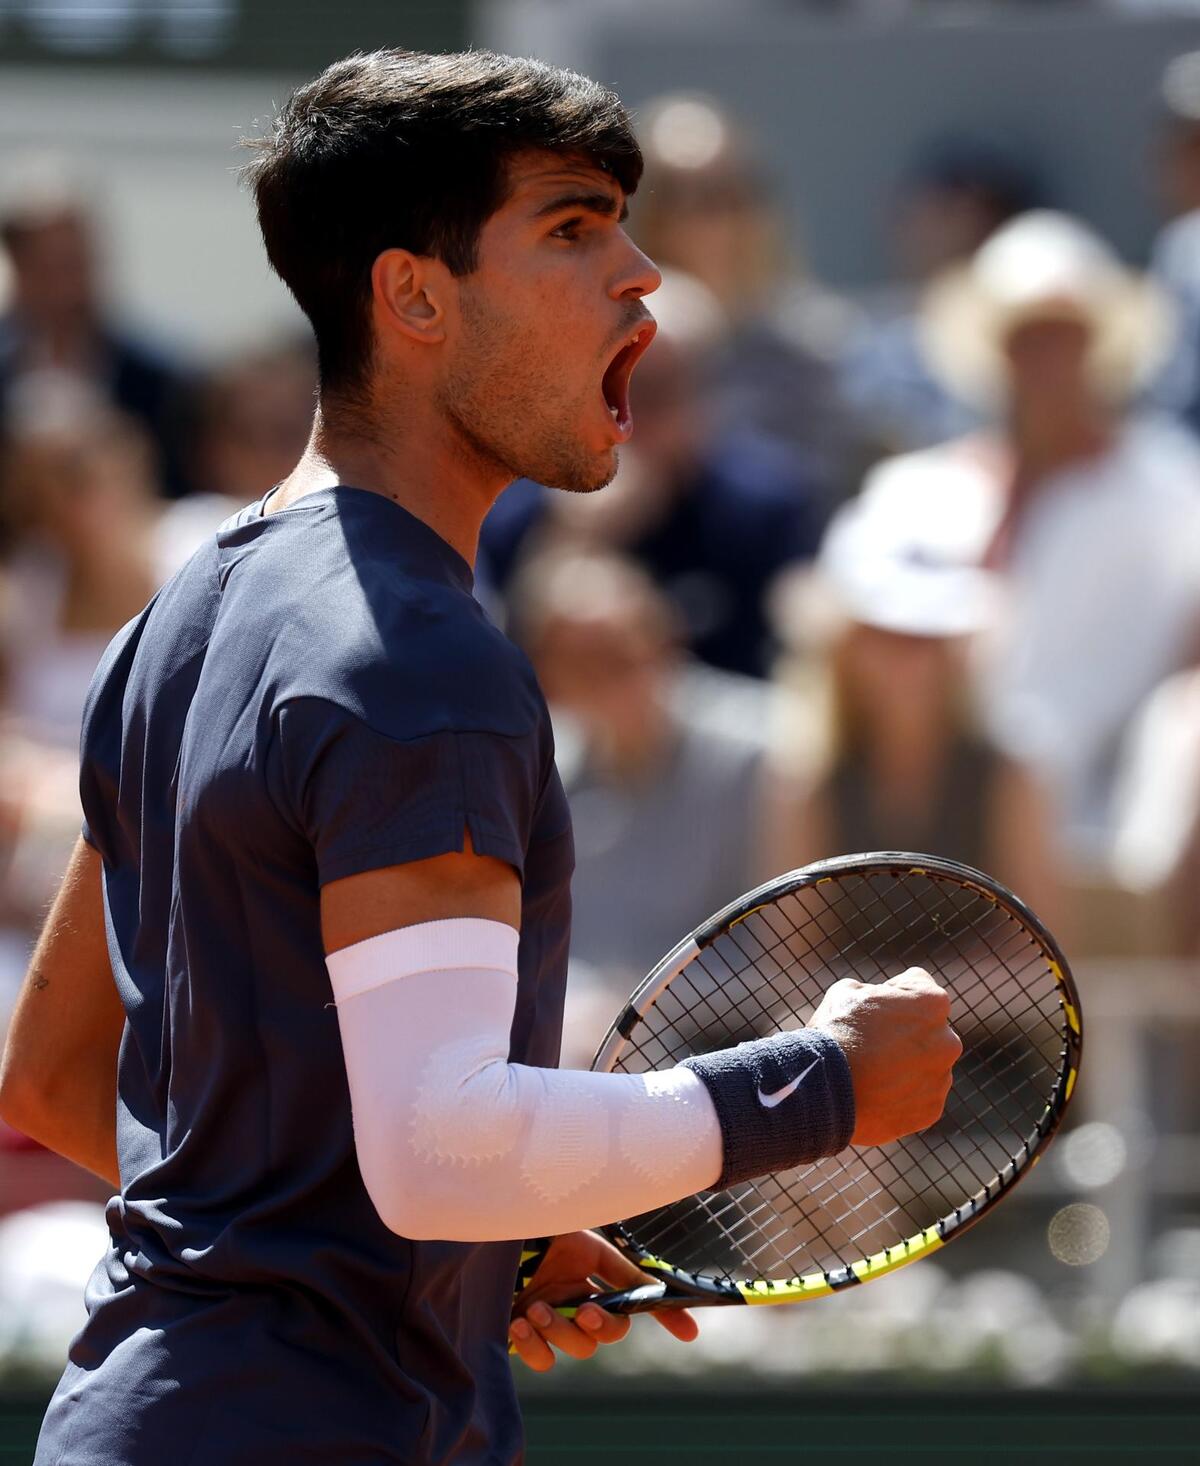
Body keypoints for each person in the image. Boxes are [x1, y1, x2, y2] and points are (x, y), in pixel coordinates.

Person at [0, 50, 960, 1465]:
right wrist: (822, 1084)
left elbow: (59, 1078)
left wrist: (470, 1253)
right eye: (573, 229)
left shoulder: (184, 612)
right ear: (414, 296)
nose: (642, 273)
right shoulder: (418, 657)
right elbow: (443, 1138)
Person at [839, 210, 1200, 873]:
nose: (1046, 361)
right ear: (996, 351)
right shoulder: (914, 491)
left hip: (1119, 823)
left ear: (1099, 348)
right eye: (1027, 338)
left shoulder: (1176, 493)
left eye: (1064, 337)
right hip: (939, 811)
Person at [511, 549, 776, 1058]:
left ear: (665, 640)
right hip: (576, 1044)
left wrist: (634, 1009)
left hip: (725, 1050)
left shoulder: (758, 754)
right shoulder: (546, 771)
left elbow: (785, 956)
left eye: (622, 653)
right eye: (582, 663)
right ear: (550, 675)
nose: (610, 679)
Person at [0, 155, 192, 497]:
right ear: (18, 265)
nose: (64, 285)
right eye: (47, 266)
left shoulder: (158, 379)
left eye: (74, 263)